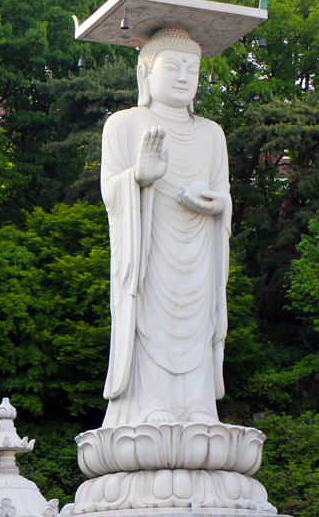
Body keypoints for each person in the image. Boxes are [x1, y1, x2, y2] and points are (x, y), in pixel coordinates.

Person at [99, 26, 231, 427]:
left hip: (199, 253)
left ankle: (198, 407)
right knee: (150, 317)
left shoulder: (212, 134)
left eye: (192, 69)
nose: (182, 77)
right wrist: (139, 176)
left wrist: (217, 203)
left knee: (198, 322)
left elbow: (224, 195)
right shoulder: (123, 125)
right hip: (149, 248)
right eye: (172, 66)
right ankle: (148, 405)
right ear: (144, 74)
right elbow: (110, 191)